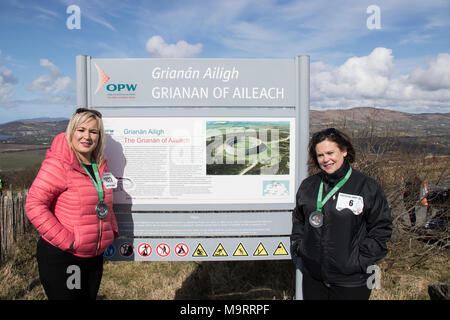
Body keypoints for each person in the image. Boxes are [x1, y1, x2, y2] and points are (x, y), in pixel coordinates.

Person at [26, 108, 119, 300]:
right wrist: (69, 241)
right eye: (81, 130)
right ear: (71, 132)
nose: (87, 136)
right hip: (65, 257)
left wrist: (111, 231)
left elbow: (105, 203)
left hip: (93, 256)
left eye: (93, 132)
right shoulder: (59, 164)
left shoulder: (99, 165)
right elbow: (34, 204)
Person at [291, 128, 392, 300]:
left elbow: (381, 228)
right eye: (320, 155)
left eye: (330, 153)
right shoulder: (308, 186)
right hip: (314, 278)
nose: (325, 159)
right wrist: (300, 247)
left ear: (344, 151)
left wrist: (359, 261)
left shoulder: (366, 186)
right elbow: (299, 221)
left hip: (352, 281)